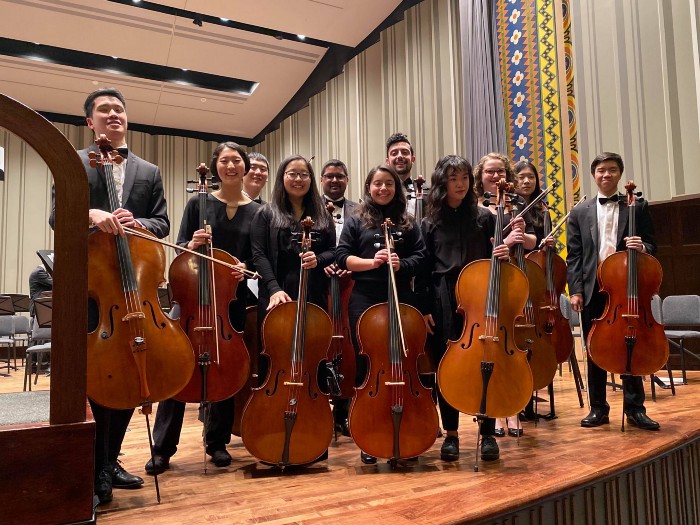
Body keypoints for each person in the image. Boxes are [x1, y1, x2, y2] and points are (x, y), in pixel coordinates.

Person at [50, 87, 169, 505]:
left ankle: (110, 462)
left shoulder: (149, 171)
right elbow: (56, 215)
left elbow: (163, 224)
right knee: (95, 379)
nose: (113, 115)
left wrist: (137, 224)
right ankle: (93, 462)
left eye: (119, 109)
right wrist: (91, 214)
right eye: (104, 110)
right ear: (90, 121)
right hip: (91, 291)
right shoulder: (73, 163)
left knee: (131, 376)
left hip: (134, 291)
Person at [146, 142, 259, 475]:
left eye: (236, 160)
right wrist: (192, 244)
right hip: (194, 299)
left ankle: (217, 442)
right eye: (224, 161)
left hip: (230, 300)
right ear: (216, 167)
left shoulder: (258, 211)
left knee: (225, 368)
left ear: (245, 167)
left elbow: (259, 257)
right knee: (178, 371)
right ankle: (163, 448)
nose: (230, 166)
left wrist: (245, 267)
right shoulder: (199, 202)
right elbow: (179, 248)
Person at [418, 155, 511, 462]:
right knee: (449, 365)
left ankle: (486, 433)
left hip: (479, 296)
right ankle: (452, 435)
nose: (460, 184)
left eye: (464, 178)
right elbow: (423, 268)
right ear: (442, 183)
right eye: (453, 179)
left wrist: (502, 253)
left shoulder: (484, 217)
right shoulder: (429, 222)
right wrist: (425, 308)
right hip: (443, 297)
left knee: (485, 361)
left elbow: (496, 263)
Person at [335, 164, 427, 464]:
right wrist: (371, 263)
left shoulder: (407, 221)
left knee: (403, 360)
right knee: (366, 365)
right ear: (368, 187)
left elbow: (421, 256)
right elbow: (342, 257)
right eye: (377, 183)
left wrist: (403, 265)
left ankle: (409, 429)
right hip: (365, 298)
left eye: (388, 183)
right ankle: (368, 434)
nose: (383, 188)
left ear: (395, 187)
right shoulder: (356, 220)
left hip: (401, 296)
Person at [567, 152, 659, 431]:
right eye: (601, 171)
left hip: (626, 288)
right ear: (593, 175)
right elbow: (575, 256)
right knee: (595, 348)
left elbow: (654, 245)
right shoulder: (579, 211)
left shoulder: (637, 207)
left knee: (631, 345)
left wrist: (642, 247)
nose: (606, 175)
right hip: (594, 288)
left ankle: (635, 408)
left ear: (620, 175)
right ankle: (598, 408)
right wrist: (576, 291)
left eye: (612, 170)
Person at [250, 155, 336, 386]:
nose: (298, 179)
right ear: (282, 178)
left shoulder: (322, 215)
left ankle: (313, 408)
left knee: (313, 354)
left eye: (304, 174)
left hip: (312, 295)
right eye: (292, 173)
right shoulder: (265, 214)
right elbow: (259, 255)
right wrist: (274, 289)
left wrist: (317, 259)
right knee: (275, 356)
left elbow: (333, 251)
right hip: (277, 295)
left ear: (311, 179)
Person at [474, 152, 536, 437]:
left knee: (511, 346)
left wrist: (521, 235)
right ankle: (495, 409)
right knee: (491, 347)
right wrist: (506, 240)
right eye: (490, 171)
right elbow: (475, 250)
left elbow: (532, 241)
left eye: (500, 171)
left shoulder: (518, 204)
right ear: (480, 175)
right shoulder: (475, 208)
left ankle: (514, 407)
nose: (496, 176)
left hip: (512, 280)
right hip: (486, 282)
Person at [319, 159, 358, 436]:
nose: (335, 181)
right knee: (320, 344)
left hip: (350, 283)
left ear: (346, 180)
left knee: (350, 344)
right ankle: (319, 409)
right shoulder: (310, 208)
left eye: (340, 176)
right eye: (330, 176)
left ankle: (343, 413)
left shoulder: (359, 209)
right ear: (322, 179)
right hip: (319, 284)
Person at [385, 133, 420, 217]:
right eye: (394, 153)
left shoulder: (425, 192)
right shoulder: (381, 192)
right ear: (387, 162)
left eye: (404, 152)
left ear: (413, 159)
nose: (400, 156)